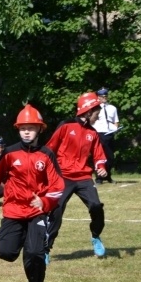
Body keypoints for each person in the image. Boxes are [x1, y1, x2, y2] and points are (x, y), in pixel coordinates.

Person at [0, 105, 64, 282]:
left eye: (31, 128)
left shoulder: (47, 154)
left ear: (40, 129)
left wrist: (45, 201)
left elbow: (58, 185)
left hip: (37, 211)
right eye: (23, 128)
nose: (26, 132)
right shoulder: (9, 153)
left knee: (34, 253)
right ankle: (9, 237)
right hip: (13, 210)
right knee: (6, 252)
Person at [46, 91, 108, 259]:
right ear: (88, 111)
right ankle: (45, 249)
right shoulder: (65, 126)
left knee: (96, 206)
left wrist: (101, 167)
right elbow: (49, 149)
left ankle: (96, 236)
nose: (98, 118)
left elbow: (99, 156)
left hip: (84, 178)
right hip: (63, 176)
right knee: (56, 210)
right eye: (97, 114)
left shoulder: (93, 133)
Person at [92, 87, 120, 184]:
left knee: (110, 157)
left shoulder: (112, 108)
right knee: (99, 156)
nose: (104, 98)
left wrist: (115, 129)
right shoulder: (95, 108)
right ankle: (99, 178)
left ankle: (107, 175)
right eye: (102, 96)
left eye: (105, 96)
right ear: (98, 97)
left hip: (109, 134)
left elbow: (116, 121)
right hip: (98, 133)